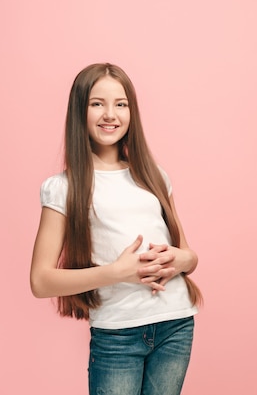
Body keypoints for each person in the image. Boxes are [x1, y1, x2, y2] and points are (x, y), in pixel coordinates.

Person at [30, 63, 202, 395]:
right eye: (98, 103)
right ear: (80, 110)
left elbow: (189, 256)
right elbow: (40, 281)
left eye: (120, 104)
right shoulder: (63, 188)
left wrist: (181, 261)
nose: (110, 114)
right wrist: (117, 272)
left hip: (176, 323)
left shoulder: (153, 176)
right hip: (118, 334)